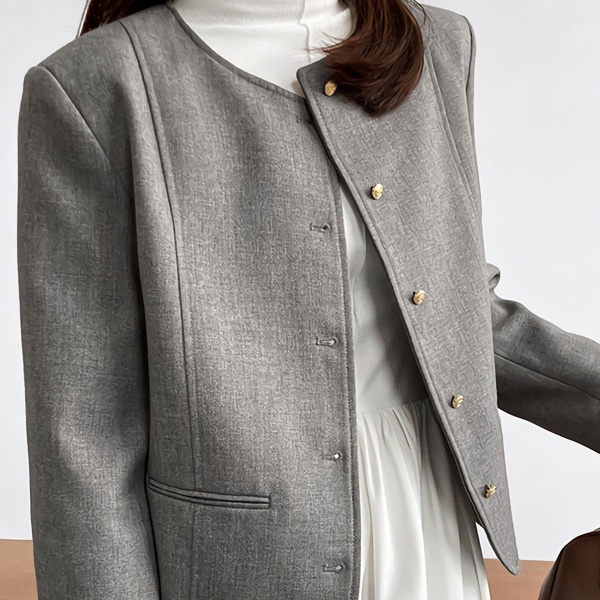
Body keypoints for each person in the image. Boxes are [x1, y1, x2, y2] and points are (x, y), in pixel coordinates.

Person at [16, 0, 600, 599]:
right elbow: (84, 439)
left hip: (425, 508)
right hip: (248, 560)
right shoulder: (96, 85)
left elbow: (454, 319)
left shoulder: (435, 44)